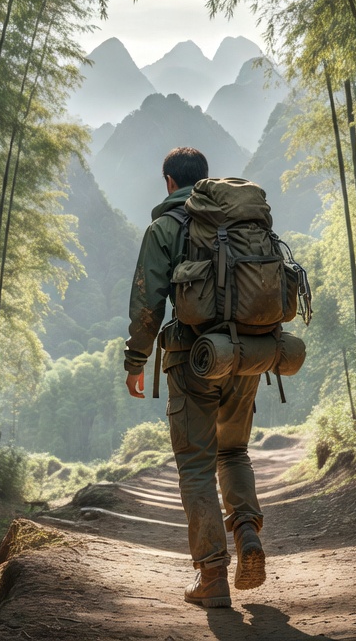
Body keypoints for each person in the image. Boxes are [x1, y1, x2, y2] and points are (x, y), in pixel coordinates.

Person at [123, 147, 265, 609]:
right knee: (235, 450)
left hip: (191, 361)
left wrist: (135, 361)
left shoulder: (164, 228)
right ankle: (246, 532)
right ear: (203, 180)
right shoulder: (238, 223)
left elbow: (149, 306)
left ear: (168, 182)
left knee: (196, 466)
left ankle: (212, 578)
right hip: (245, 355)